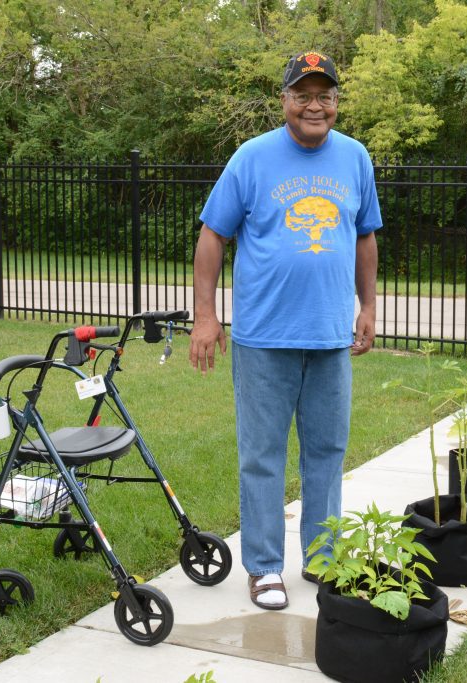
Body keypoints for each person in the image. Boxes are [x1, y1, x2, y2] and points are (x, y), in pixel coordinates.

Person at [188, 50, 382, 611]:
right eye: (304, 95)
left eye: (325, 95)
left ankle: (323, 559)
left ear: (336, 103)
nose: (314, 106)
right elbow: (211, 237)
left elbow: (365, 235)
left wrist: (367, 306)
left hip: (329, 337)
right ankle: (265, 567)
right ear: (285, 102)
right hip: (263, 338)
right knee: (263, 455)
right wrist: (206, 316)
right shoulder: (251, 159)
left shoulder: (355, 159)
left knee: (326, 451)